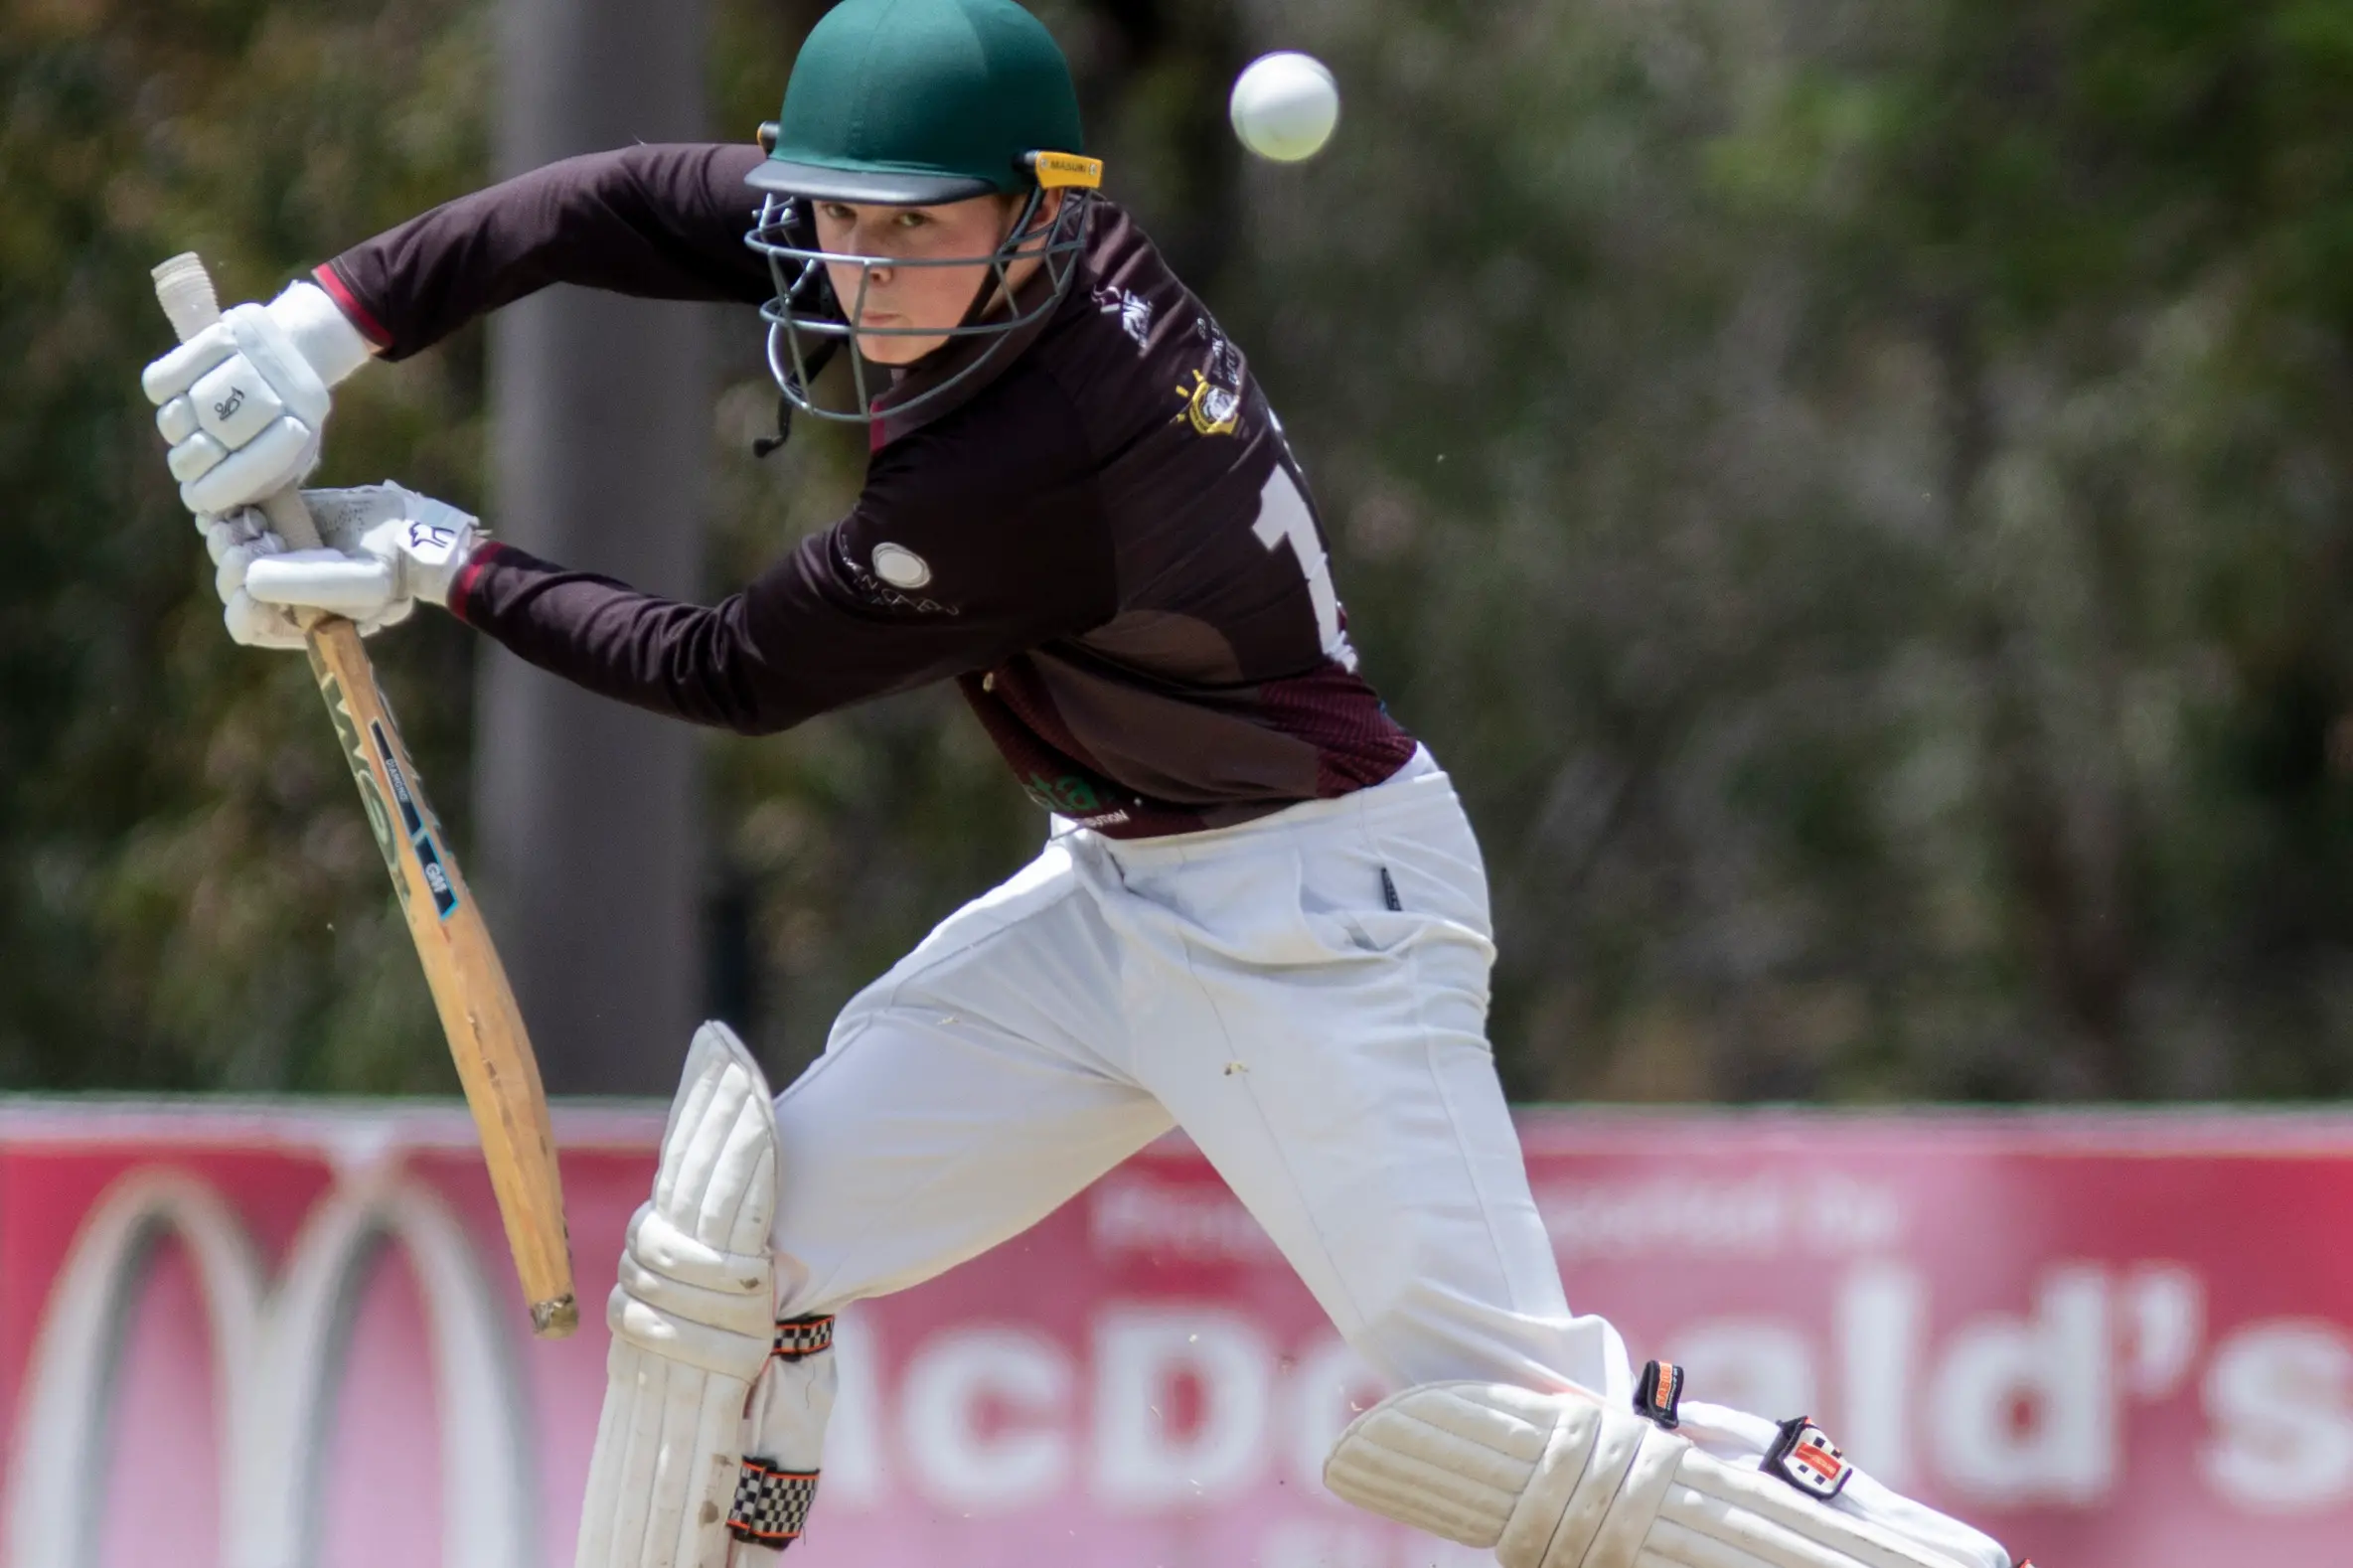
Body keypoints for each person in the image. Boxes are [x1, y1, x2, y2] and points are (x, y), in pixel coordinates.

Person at [140, 3, 2029, 1567]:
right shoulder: (962, 242)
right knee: (736, 1253)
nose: (865, 277)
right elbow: (615, 200)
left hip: (1314, 931)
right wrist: (323, 324)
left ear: (1034, 222)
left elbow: (732, 674)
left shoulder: (1026, 463)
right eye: (837, 226)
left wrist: (435, 562)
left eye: (914, 236)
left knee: (1518, 1436)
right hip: (1119, 896)